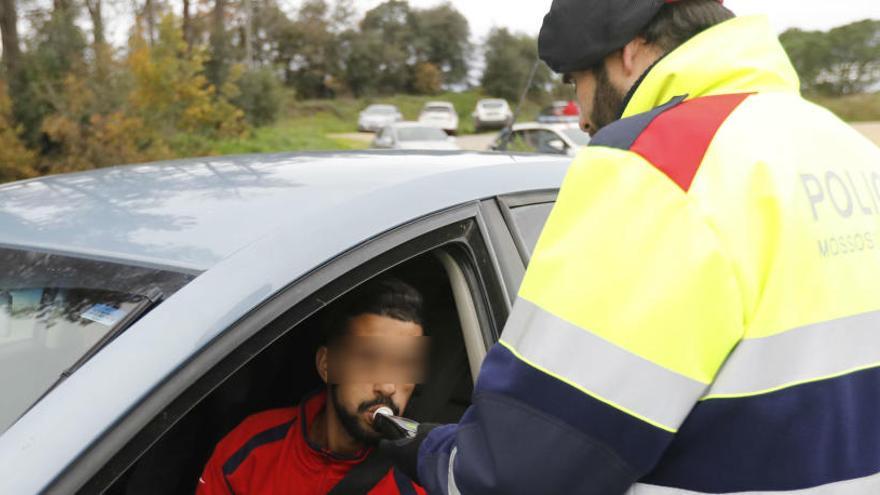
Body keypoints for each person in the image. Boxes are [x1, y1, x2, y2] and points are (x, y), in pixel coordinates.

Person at [379, 0, 880, 494]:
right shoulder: (848, 148)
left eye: (577, 83)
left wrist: (428, 453)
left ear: (629, 51)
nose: (579, 120)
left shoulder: (658, 163)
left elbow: (523, 473)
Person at [198, 277, 428, 494]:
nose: (387, 387)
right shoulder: (250, 448)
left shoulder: (418, 484)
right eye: (368, 360)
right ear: (326, 365)